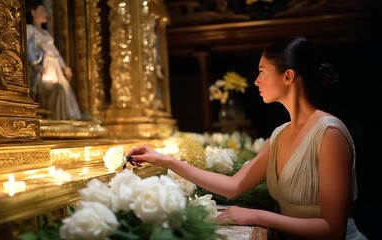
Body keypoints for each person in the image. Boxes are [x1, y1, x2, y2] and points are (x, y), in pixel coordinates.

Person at [128, 37, 367, 239]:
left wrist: (257, 215)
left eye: (262, 72)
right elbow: (233, 186)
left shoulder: (329, 133)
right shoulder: (280, 134)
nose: (256, 81)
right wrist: (165, 160)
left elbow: (333, 230)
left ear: (288, 76)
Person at [26, 0, 82, 120]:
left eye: (44, 11)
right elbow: (28, 48)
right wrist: (33, 63)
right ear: (33, 12)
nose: (44, 13)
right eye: (41, 10)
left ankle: (64, 116)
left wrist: (63, 67)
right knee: (51, 87)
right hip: (43, 64)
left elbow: (55, 52)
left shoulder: (46, 34)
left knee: (63, 87)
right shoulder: (29, 29)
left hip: (54, 66)